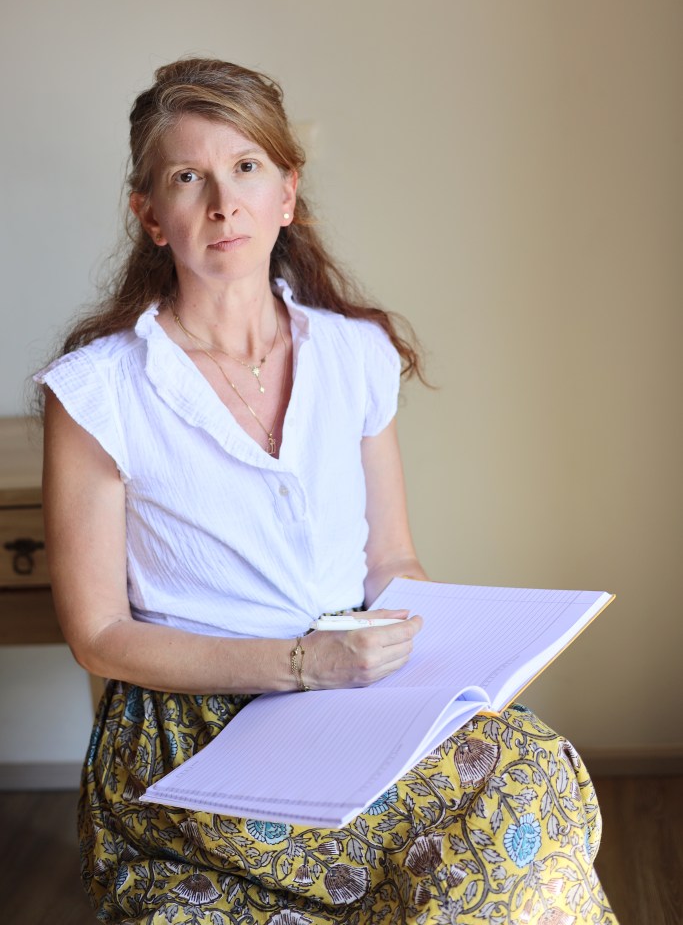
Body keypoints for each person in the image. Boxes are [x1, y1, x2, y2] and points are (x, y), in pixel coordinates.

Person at [36, 58, 617, 925]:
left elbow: (391, 562)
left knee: (528, 777)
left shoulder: (356, 354)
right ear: (151, 216)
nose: (223, 203)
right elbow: (99, 636)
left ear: (286, 193)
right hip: (193, 743)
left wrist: (453, 656)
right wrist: (301, 666)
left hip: (353, 702)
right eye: (188, 178)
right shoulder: (95, 392)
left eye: (245, 168)